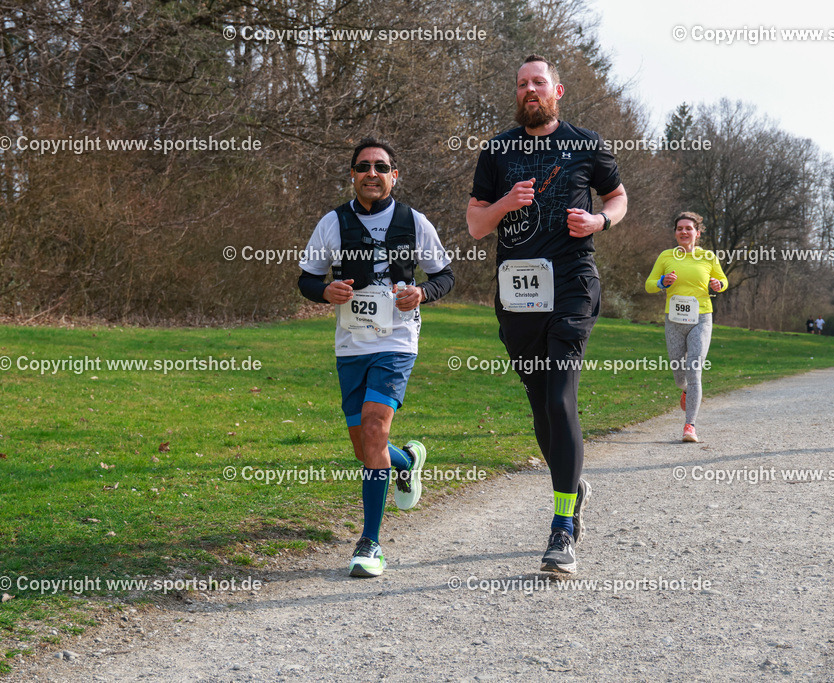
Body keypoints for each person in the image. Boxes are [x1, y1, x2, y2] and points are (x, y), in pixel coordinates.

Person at [466, 54, 627, 575]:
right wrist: (505, 204)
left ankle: (562, 528)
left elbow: (618, 197)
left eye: (539, 82)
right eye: (522, 84)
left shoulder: (587, 143)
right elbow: (476, 225)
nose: (530, 90)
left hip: (573, 286)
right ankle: (571, 486)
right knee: (540, 406)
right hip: (519, 295)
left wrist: (600, 222)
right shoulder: (497, 150)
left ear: (557, 90)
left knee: (560, 397)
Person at [298, 137, 455, 577]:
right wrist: (324, 291)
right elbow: (307, 279)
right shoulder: (332, 223)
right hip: (351, 344)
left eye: (381, 167)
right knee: (365, 447)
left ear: (394, 176)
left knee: (373, 429)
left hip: (398, 340)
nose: (372, 173)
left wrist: (423, 292)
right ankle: (407, 461)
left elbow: (445, 275)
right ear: (352, 174)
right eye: (364, 166)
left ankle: (370, 543)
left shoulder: (414, 221)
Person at [646, 212, 727, 442]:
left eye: (688, 228)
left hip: (701, 318)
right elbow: (649, 285)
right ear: (675, 233)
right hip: (674, 321)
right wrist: (662, 282)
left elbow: (723, 281)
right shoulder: (666, 256)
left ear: (697, 233)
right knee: (679, 375)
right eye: (680, 228)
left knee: (694, 370)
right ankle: (685, 390)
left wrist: (718, 284)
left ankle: (690, 425)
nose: (684, 232)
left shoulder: (708, 257)